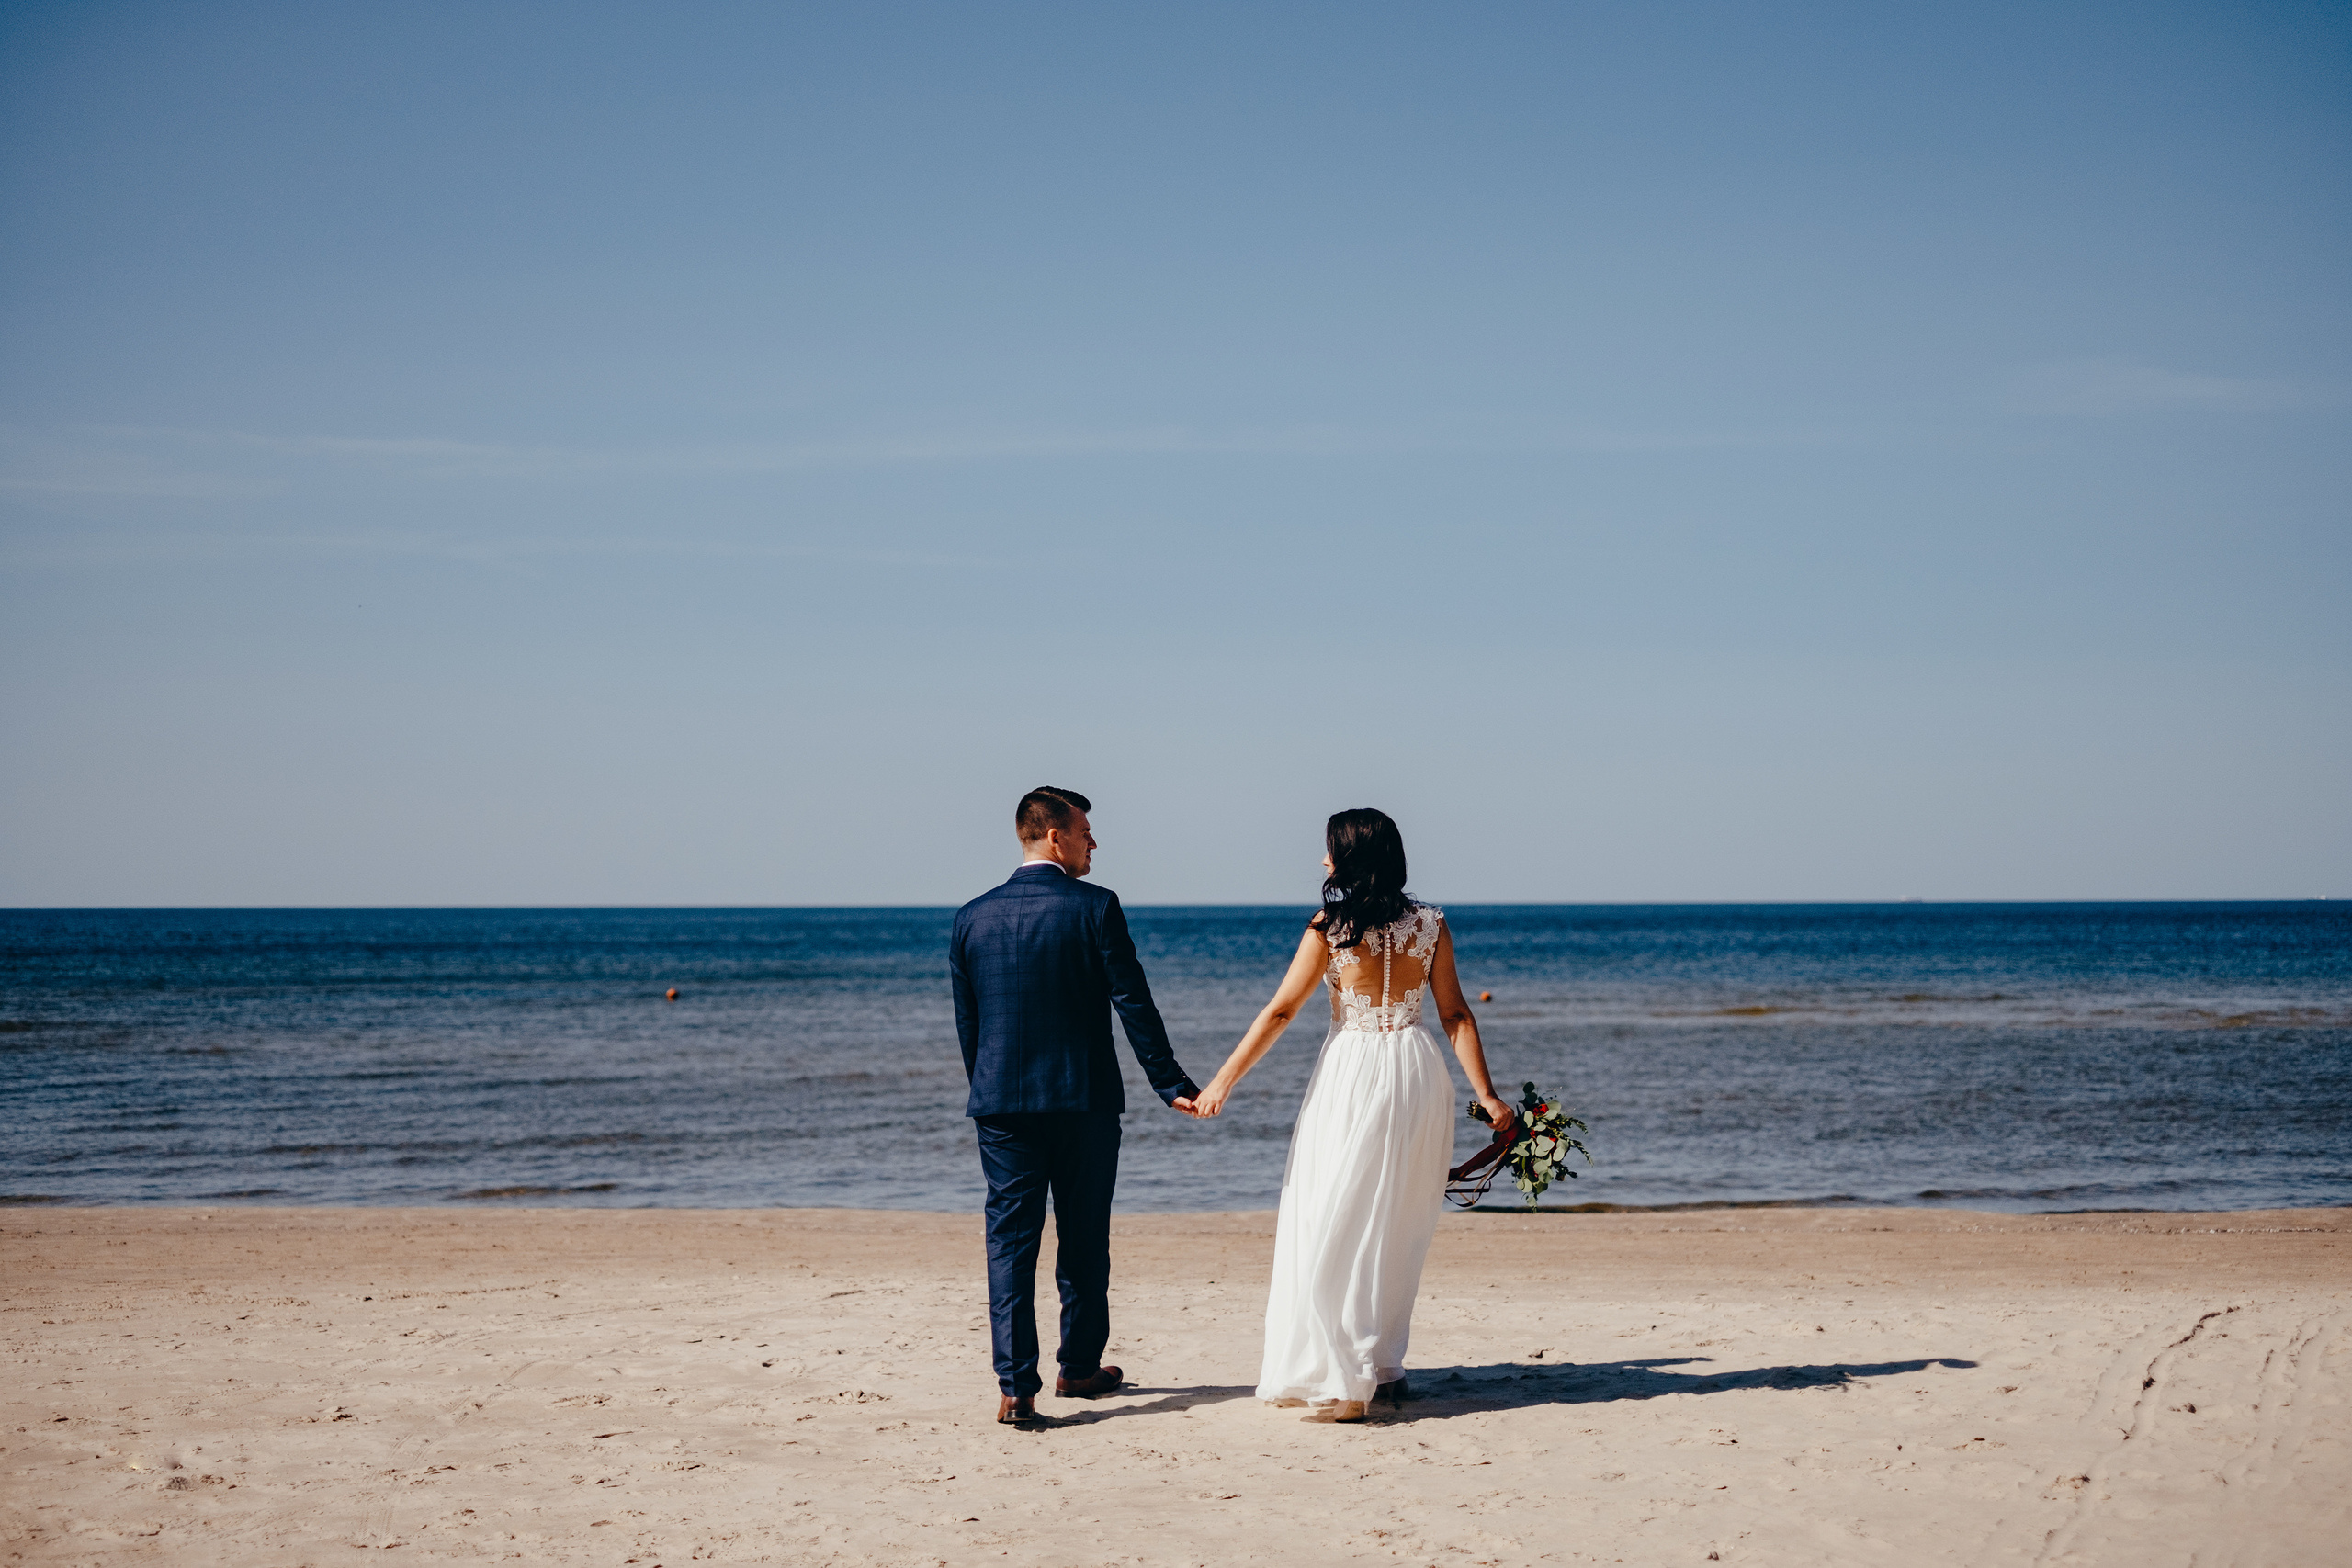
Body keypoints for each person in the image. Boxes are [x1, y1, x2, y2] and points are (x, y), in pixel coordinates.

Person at [1189, 807, 1512, 1423]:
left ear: (1351, 859)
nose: (1322, 861)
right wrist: (1488, 1095)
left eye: (1329, 850)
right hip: (1417, 1073)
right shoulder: (1432, 925)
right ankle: (1382, 1367)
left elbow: (1281, 1010)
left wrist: (1221, 1082)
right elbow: (1456, 1015)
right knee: (1394, 1224)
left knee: (1330, 1218)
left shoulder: (1329, 929)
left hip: (1353, 1075)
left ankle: (1347, 1381)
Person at [949, 786, 1204, 1427]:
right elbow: (1133, 1001)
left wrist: (987, 1087)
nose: (1094, 842)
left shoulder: (972, 916)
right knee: (1084, 1237)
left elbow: (970, 1023)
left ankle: (1016, 1385)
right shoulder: (1095, 907)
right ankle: (1080, 1367)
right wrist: (1169, 1081)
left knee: (1010, 1241)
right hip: (1082, 1099)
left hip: (1002, 1104)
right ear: (1055, 836)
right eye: (1086, 830)